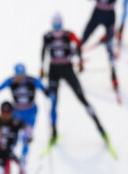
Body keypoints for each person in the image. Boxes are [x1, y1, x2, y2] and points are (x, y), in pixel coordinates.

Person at [40, 13, 110, 147]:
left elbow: (78, 44)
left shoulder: (68, 34)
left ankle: (101, 129)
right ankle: (54, 132)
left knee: (82, 98)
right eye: (55, 27)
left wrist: (81, 61)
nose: (57, 30)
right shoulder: (47, 36)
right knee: (53, 102)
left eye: (58, 27)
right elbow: (43, 51)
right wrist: (42, 67)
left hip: (67, 70)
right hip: (54, 70)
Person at [0, 63, 50, 167]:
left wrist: (47, 92)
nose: (20, 79)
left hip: (30, 112)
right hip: (16, 112)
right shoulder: (11, 81)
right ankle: (7, 158)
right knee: (13, 135)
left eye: (22, 76)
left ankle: (23, 160)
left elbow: (44, 89)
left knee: (27, 137)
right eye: (18, 76)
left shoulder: (32, 81)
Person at [80, 0, 119, 95]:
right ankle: (75, 58)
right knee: (84, 38)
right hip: (98, 12)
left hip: (109, 15)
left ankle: (113, 75)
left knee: (109, 46)